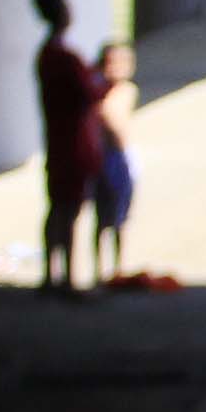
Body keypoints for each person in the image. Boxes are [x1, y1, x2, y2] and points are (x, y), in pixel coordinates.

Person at [29, 0, 97, 295]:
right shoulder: (65, 58)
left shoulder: (45, 55)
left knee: (57, 206)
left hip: (58, 138)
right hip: (72, 139)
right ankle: (67, 277)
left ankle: (51, 274)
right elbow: (87, 95)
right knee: (69, 208)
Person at [85, 39, 143, 289]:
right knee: (102, 215)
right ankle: (100, 268)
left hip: (121, 155)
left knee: (121, 215)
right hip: (104, 155)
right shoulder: (100, 92)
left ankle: (118, 267)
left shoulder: (126, 90)